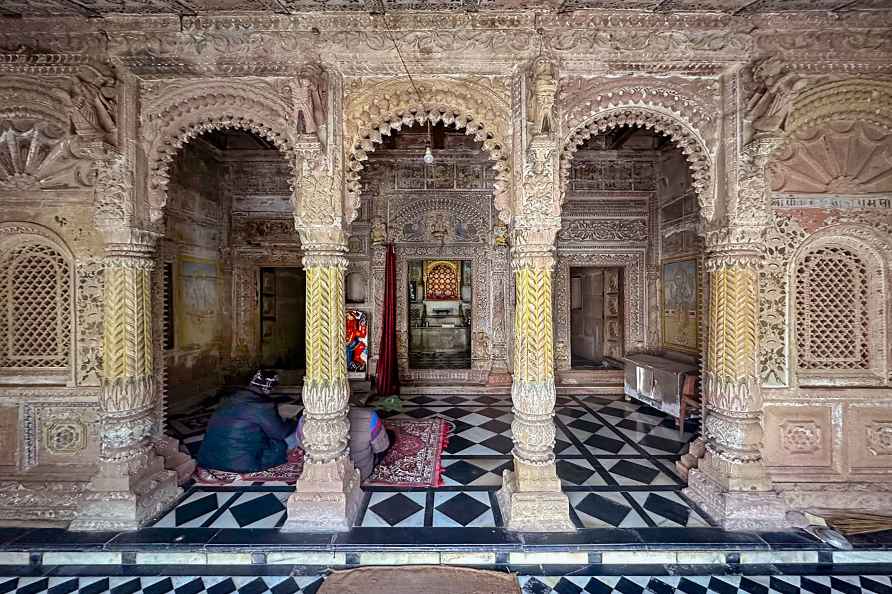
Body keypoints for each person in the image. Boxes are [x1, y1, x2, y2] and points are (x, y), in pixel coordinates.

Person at [197, 370, 296, 473]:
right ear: (271, 389)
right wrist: (292, 422)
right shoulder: (263, 406)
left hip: (208, 460)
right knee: (296, 433)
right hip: (242, 464)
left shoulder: (227, 399)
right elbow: (280, 434)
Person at [295, 407, 391, 481]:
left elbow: (302, 445)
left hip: (316, 476)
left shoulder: (304, 419)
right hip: (360, 473)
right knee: (389, 436)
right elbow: (381, 448)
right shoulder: (369, 416)